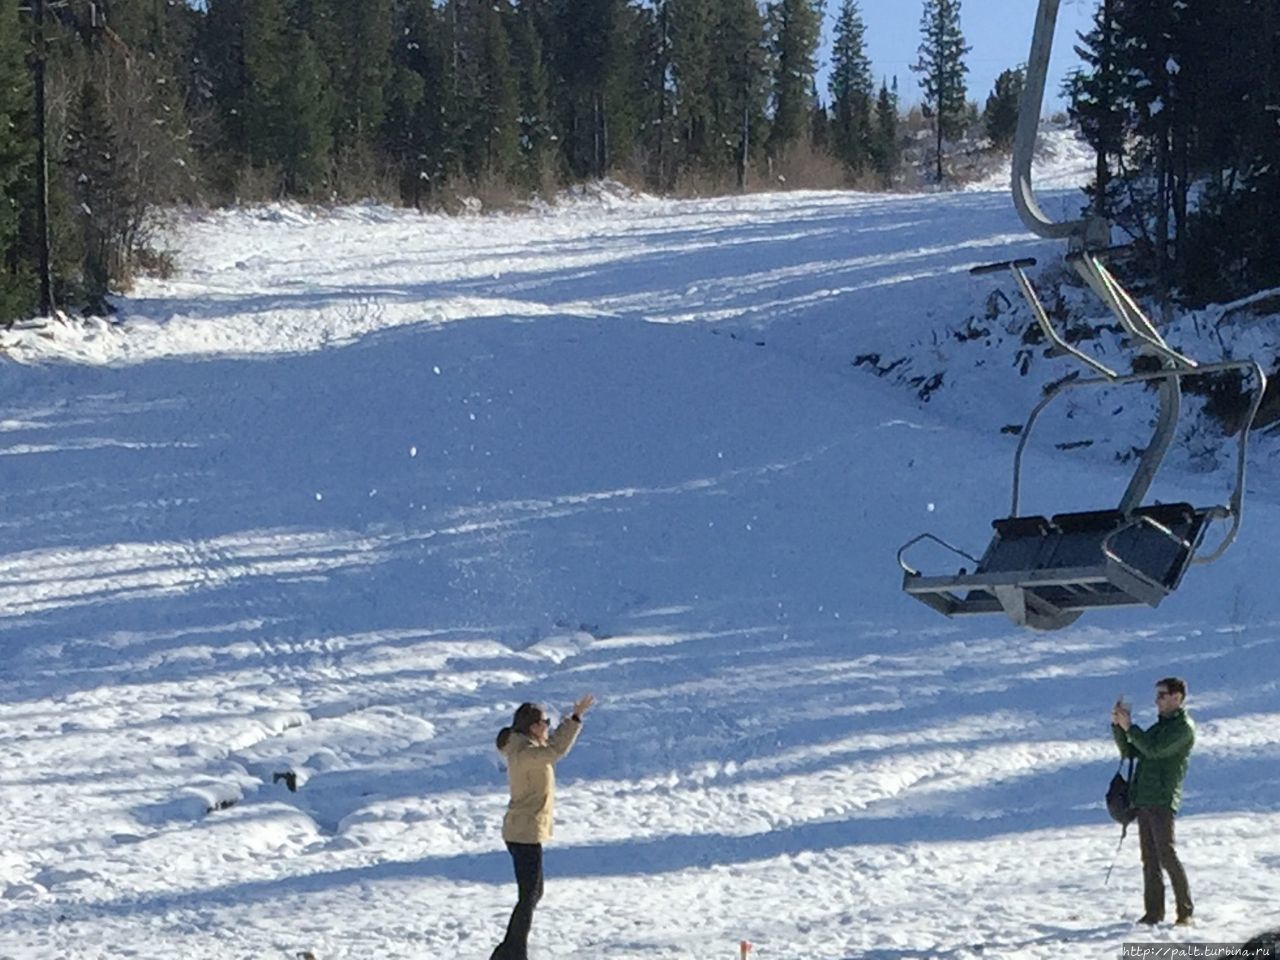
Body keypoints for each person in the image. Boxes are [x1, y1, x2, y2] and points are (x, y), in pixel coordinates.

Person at [490, 693, 596, 960]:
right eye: (544, 722)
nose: (548, 726)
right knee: (529, 895)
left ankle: (509, 950)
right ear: (532, 726)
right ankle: (512, 953)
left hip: (525, 830)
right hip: (523, 831)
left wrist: (571, 720)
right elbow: (555, 751)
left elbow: (551, 748)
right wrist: (574, 719)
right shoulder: (526, 753)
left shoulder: (523, 748)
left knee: (533, 894)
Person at [1111, 676, 1195, 927]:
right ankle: (1153, 912)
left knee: (1167, 854)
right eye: (1157, 695)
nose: (1157, 700)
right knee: (1149, 859)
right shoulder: (1160, 727)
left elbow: (1154, 750)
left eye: (1162, 695)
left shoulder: (1182, 728)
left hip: (1162, 798)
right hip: (1144, 798)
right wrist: (1119, 727)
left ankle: (1185, 911)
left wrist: (1130, 728)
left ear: (1177, 698)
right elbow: (1132, 751)